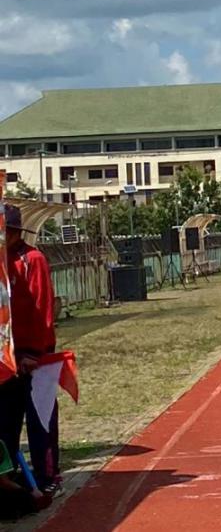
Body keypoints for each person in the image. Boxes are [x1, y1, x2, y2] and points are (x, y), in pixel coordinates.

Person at [0, 204, 61, 496]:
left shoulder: (32, 260)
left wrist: (36, 353)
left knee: (40, 422)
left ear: (14, 232)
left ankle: (48, 476)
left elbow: (42, 307)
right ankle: (10, 478)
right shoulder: (2, 262)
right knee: (6, 423)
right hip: (7, 358)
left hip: (35, 357)